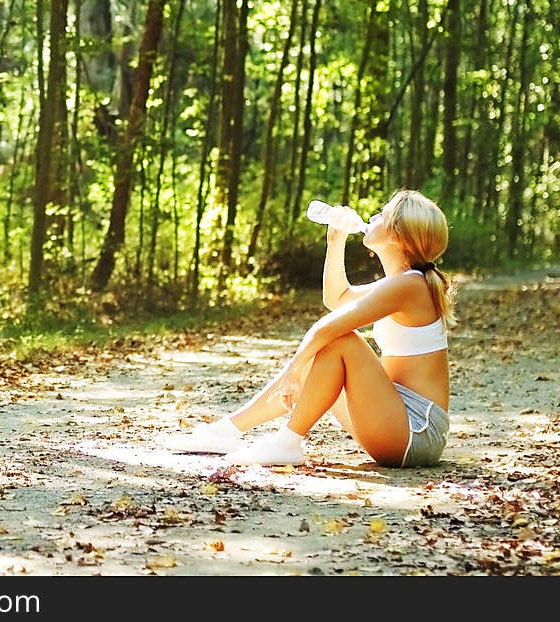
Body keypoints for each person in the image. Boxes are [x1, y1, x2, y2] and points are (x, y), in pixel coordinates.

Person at [167, 189, 456, 468]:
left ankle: (287, 442)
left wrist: (295, 367)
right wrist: (335, 240)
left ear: (396, 235)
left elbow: (329, 326)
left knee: (341, 341)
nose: (373, 216)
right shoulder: (403, 282)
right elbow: (337, 300)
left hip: (416, 431)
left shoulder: (411, 285)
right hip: (395, 420)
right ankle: (228, 431)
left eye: (382, 214)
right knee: (325, 349)